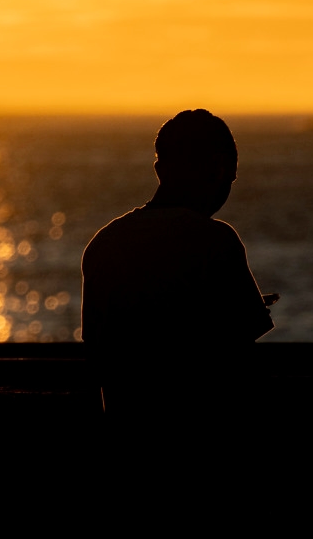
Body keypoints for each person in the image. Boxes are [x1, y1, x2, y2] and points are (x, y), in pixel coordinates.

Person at [82, 109, 275, 426]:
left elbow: (96, 358)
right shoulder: (217, 241)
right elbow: (241, 356)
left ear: (159, 168)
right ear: (218, 169)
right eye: (230, 178)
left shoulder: (104, 244)